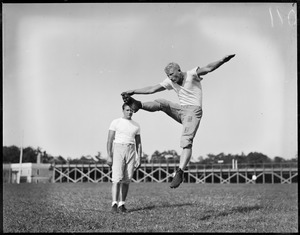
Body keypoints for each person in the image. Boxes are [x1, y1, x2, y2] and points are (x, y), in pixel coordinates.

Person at [121, 54, 235, 189]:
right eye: (168, 76)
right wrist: (133, 91)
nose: (171, 78)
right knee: (162, 103)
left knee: (186, 140)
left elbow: (209, 68)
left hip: (193, 112)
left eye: (172, 75)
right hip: (181, 110)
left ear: (179, 71)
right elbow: (152, 89)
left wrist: (222, 60)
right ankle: (138, 105)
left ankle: (180, 172)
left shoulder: (192, 74)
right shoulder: (171, 82)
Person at [106, 103, 142, 213]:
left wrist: (139, 157)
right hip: (118, 149)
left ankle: (122, 204)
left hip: (131, 149)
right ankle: (114, 204)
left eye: (131, 110)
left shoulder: (136, 125)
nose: (129, 112)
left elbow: (139, 143)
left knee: (127, 179)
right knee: (116, 179)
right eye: (127, 110)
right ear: (123, 110)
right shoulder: (115, 122)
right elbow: (110, 140)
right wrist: (109, 155)